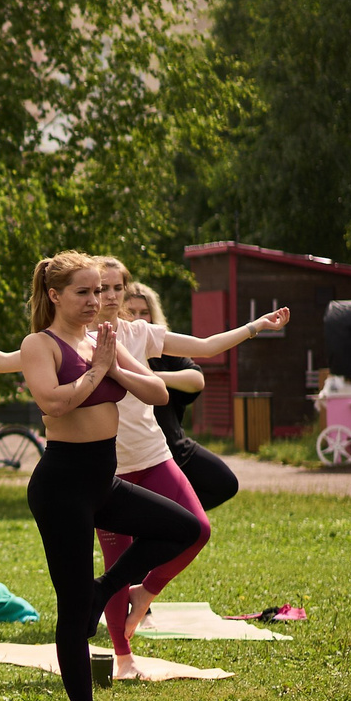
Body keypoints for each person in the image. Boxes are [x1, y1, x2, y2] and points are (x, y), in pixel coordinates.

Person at [17, 252, 203, 701]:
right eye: (83, 292)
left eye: (99, 292)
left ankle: (105, 590)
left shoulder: (103, 338)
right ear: (55, 295)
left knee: (184, 528)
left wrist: (113, 366)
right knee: (71, 606)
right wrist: (98, 370)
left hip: (103, 481)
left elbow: (158, 395)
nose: (94, 301)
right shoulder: (41, 344)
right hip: (62, 487)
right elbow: (53, 401)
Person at [87, 258, 288, 676]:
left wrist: (257, 326)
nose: (107, 296)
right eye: (99, 288)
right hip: (108, 470)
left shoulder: (141, 333)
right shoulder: (73, 338)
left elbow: (206, 346)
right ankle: (123, 658)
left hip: (155, 456)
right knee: (115, 566)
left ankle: (146, 595)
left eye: (115, 288)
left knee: (198, 529)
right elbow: (14, 360)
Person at [118, 280, 241, 513]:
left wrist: (154, 378)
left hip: (173, 446)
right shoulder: (111, 347)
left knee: (225, 483)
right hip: (136, 452)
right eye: (131, 312)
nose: (138, 318)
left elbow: (197, 379)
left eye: (144, 312)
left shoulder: (162, 348)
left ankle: (170, 520)